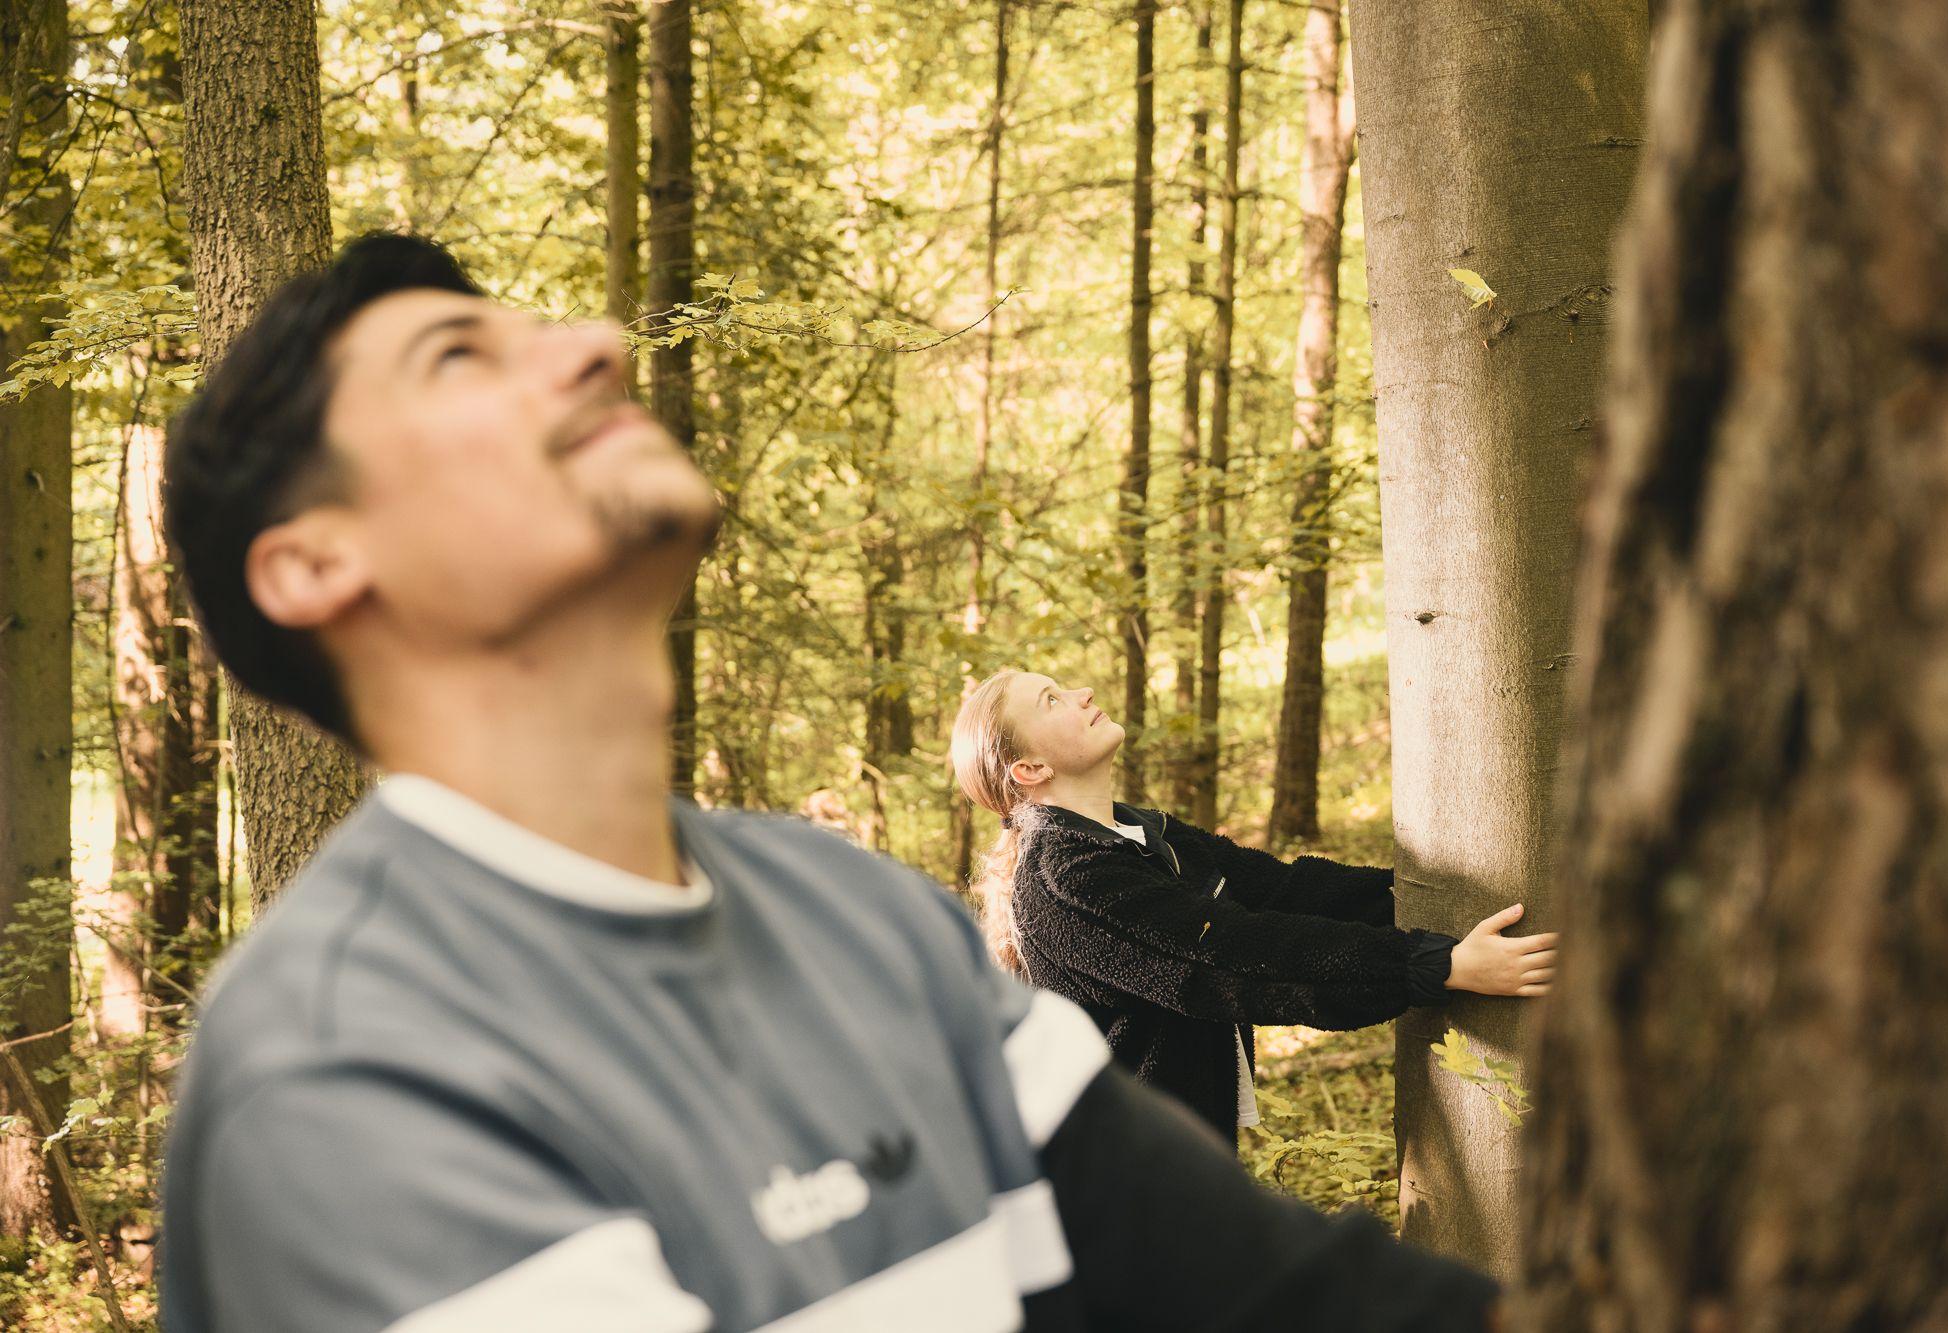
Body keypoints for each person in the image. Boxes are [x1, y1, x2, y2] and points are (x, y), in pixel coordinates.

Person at [155, 235, 1497, 1332]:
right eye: (458, 357)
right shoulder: (347, 1072)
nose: (599, 346)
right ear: (315, 566)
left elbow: (1265, 1288)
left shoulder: (862, 915)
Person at [950, 671, 1557, 1143]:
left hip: (1175, 1162)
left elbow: (1284, 891)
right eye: (1051, 701)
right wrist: (1436, 966)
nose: (1081, 693)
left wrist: (1416, 898)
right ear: (1029, 768)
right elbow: (1240, 958)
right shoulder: (1066, 877)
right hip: (1123, 1191)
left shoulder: (1141, 834)